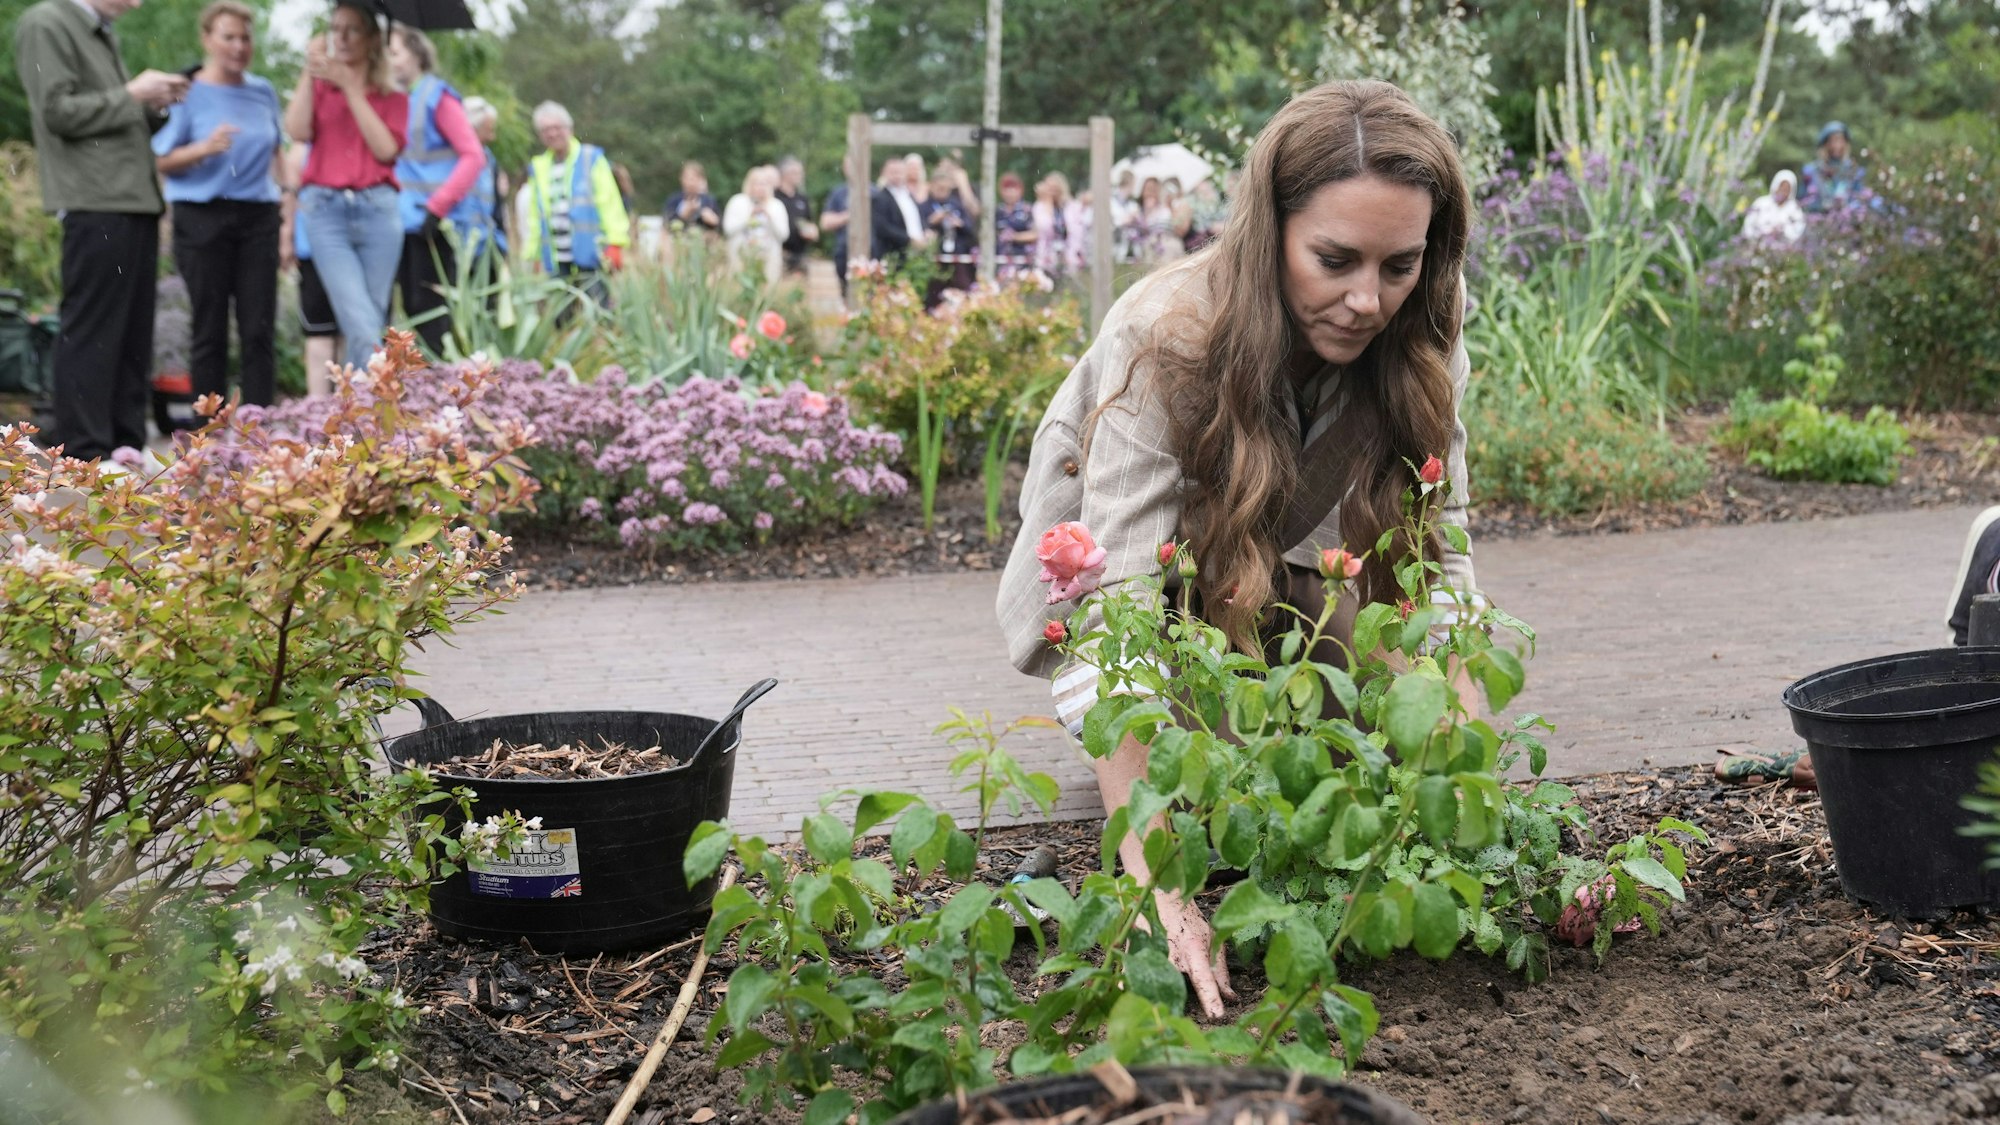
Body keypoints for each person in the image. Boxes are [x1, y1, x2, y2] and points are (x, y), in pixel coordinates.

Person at [996, 80, 1480, 1019]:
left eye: (1399, 264)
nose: (1367, 299)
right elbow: (1118, 607)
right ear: (1270, 232)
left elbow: (1441, 562)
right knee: (1183, 779)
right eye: (1334, 259)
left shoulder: (1425, 330)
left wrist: (1460, 790)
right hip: (1114, 562)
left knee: (1359, 719)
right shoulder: (1165, 331)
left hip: (1258, 551)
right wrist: (1161, 890)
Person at [15, 0, 188, 459]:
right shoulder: (47, 22)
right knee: (92, 331)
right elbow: (56, 113)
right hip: (94, 201)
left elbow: (106, 120)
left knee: (132, 334)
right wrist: (133, 94)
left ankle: (125, 448)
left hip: (133, 200)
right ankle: (85, 451)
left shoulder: (100, 29)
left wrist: (154, 105)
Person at [151, 0, 285, 413]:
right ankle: (208, 433)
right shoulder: (187, 92)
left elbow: (278, 152)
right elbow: (159, 161)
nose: (239, 46)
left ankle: (260, 426)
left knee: (258, 328)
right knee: (209, 329)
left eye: (246, 37)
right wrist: (204, 149)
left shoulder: (263, 90)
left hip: (258, 217)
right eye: (229, 37)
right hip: (202, 217)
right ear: (208, 39)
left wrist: (289, 211)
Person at [284, 0, 407, 373]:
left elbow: (386, 150)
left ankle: (354, 418)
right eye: (336, 28)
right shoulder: (320, 90)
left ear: (372, 39)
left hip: (379, 210)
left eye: (352, 29)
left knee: (369, 314)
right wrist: (310, 72)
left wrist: (352, 89)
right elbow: (297, 130)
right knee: (358, 316)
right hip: (327, 212)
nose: (341, 37)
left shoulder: (393, 96)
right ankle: (375, 404)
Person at [386, 24, 485, 358]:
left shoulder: (436, 97)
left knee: (431, 314)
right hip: (397, 222)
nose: (388, 59)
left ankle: (439, 392)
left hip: (431, 223)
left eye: (395, 52)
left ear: (416, 53)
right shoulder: (393, 99)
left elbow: (473, 156)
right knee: (405, 315)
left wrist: (438, 205)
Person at [520, 101, 630, 294]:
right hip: (556, 260)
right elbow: (535, 217)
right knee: (561, 319)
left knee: (597, 313)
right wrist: (534, 255)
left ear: (569, 128)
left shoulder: (590, 158)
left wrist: (616, 243)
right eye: (546, 130)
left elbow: (610, 204)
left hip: (592, 256)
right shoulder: (539, 167)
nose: (552, 134)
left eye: (556, 127)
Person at [723, 165, 790, 286]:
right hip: (741, 257)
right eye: (756, 183)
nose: (760, 187)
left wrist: (769, 217)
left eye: (763, 184)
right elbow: (728, 230)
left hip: (768, 258)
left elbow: (783, 235)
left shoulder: (776, 205)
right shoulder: (737, 201)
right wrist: (748, 217)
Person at [919, 168, 975, 307]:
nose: (942, 191)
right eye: (939, 188)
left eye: (945, 188)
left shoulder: (957, 205)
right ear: (932, 186)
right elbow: (918, 229)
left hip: (957, 257)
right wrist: (932, 222)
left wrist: (959, 224)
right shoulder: (924, 207)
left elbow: (971, 231)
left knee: (962, 291)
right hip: (935, 258)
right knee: (934, 294)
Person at [1800, 121, 1866, 215]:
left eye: (1841, 141)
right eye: (1833, 140)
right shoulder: (1811, 171)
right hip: (1818, 222)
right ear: (1824, 144)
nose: (1837, 145)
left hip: (1847, 224)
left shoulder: (1855, 171)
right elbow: (1803, 201)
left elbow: (1860, 198)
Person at [871, 155, 924, 264]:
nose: (897, 176)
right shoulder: (880, 197)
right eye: (893, 172)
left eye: (900, 172)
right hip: (893, 256)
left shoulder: (908, 195)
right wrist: (909, 240)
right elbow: (882, 228)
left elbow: (917, 219)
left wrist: (926, 230)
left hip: (915, 253)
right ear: (884, 173)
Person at [775, 156, 819, 275]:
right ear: (784, 174)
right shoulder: (774, 197)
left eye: (800, 172)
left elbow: (808, 221)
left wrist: (812, 231)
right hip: (780, 253)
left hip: (800, 254)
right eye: (795, 172)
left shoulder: (802, 199)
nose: (800, 175)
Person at [821, 155, 855, 302]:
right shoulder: (838, 193)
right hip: (844, 251)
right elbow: (825, 222)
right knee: (846, 295)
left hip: (871, 251)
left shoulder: (873, 191)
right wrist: (847, 217)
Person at [1742, 169, 1805, 244]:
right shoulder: (1761, 202)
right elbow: (1749, 224)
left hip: (1782, 249)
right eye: (1782, 186)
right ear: (1776, 185)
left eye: (1787, 188)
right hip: (1758, 246)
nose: (1784, 191)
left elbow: (1798, 229)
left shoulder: (1794, 208)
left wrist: (1781, 232)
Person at [994, 171, 1036, 279]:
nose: (1010, 193)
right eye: (1006, 189)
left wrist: (1014, 237)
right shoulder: (998, 211)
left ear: (1020, 191)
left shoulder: (1027, 210)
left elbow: (1035, 234)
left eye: (1013, 189)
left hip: (1022, 260)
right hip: (1000, 261)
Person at [663, 161, 721, 234]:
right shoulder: (673, 200)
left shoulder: (709, 201)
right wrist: (683, 215)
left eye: (694, 178)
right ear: (681, 179)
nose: (690, 182)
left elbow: (719, 226)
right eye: (687, 178)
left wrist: (713, 220)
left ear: (701, 179)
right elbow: (666, 225)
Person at [1033, 173, 1072, 279]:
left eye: (1055, 189)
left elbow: (1072, 231)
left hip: (1066, 256)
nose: (1052, 192)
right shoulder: (1039, 207)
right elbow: (1044, 228)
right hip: (1046, 257)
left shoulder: (1069, 207)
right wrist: (1047, 202)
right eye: (1049, 188)